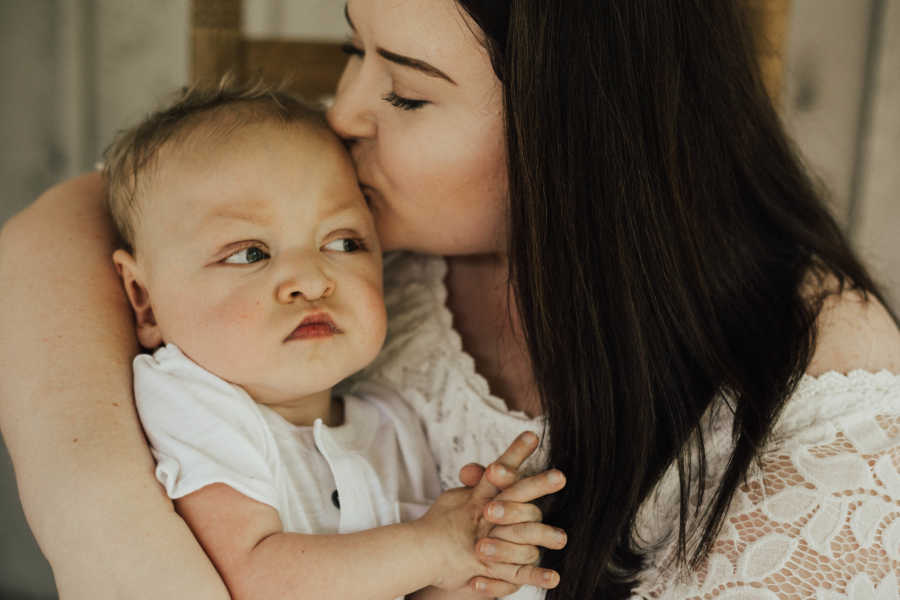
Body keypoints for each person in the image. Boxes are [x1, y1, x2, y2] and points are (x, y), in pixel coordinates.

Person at [2, 1, 899, 598]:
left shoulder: (819, 411)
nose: (343, 114)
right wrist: (100, 513)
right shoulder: (351, 241)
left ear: (576, 128)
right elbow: (78, 220)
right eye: (356, 48)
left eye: (405, 91)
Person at [101, 81, 565, 600]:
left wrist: (480, 561)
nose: (313, 278)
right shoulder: (193, 402)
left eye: (344, 242)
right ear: (144, 299)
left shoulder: (392, 426)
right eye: (251, 253)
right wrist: (432, 546)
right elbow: (252, 580)